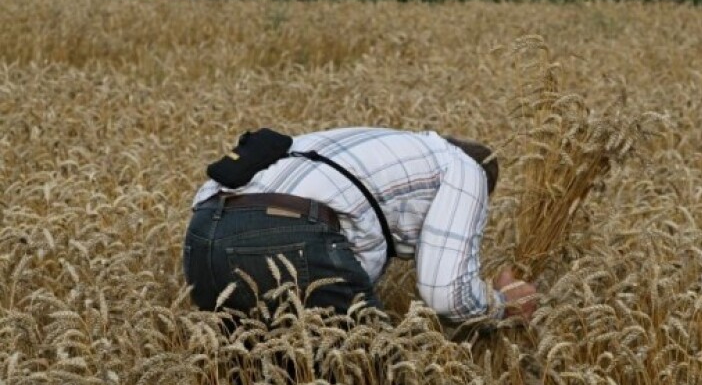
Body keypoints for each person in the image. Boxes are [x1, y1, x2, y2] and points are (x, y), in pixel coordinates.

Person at [182, 127, 537, 324]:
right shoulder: (466, 169)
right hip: (289, 233)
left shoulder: (388, 147)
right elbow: (446, 295)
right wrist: (501, 303)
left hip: (202, 235)